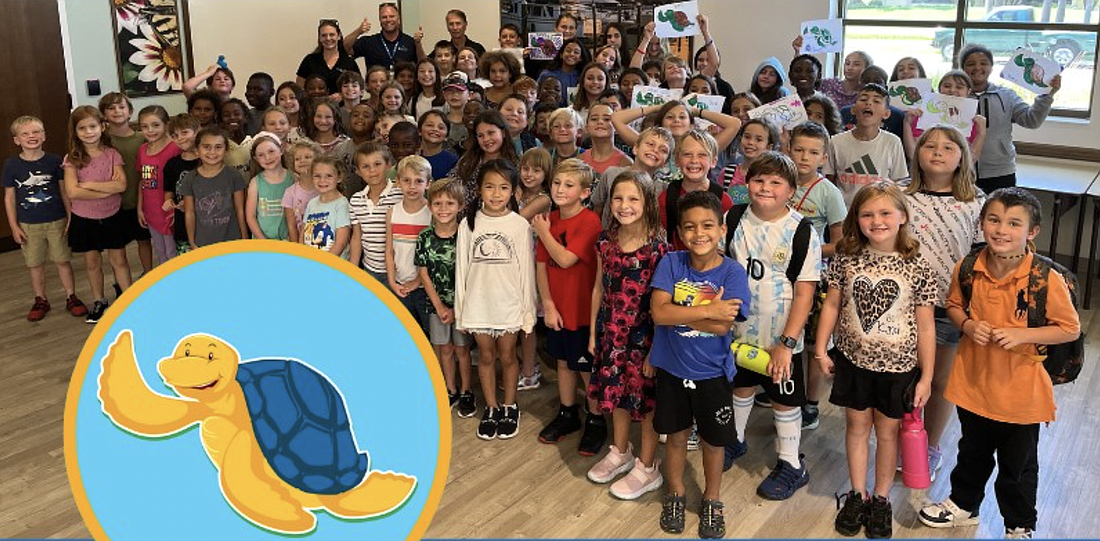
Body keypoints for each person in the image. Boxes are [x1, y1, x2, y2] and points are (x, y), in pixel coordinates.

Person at [919, 187, 1080, 539]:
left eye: (1013, 223)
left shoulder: (1044, 278)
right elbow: (954, 305)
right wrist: (967, 325)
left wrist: (1023, 335)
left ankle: (1018, 524)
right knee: (971, 451)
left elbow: (1069, 329)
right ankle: (963, 504)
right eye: (993, 219)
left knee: (1018, 467)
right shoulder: (968, 267)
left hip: (1021, 394)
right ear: (981, 223)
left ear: (1032, 232)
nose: (1001, 229)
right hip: (974, 383)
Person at [815, 181, 936, 539]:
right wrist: (822, 349)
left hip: (898, 368)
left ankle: (880, 498)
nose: (877, 220)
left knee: (887, 434)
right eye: (867, 214)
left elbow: (926, 327)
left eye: (885, 213)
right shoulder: (846, 258)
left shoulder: (918, 265)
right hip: (853, 363)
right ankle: (857, 493)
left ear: (902, 216)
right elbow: (832, 306)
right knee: (855, 428)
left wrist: (926, 376)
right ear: (856, 219)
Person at [650, 189, 750, 538]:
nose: (699, 233)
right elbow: (659, 314)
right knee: (675, 438)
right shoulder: (671, 263)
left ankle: (712, 498)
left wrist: (681, 314)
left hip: (713, 375)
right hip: (671, 371)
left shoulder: (733, 273)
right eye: (690, 227)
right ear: (679, 231)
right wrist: (708, 310)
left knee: (713, 441)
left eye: (708, 225)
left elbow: (725, 325)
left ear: (722, 229)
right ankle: (675, 491)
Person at [724, 151, 821, 501]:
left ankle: (792, 463)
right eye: (759, 180)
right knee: (741, 387)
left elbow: (805, 291)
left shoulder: (801, 230)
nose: (765, 187)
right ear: (747, 183)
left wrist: (787, 342)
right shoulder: (733, 217)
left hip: (781, 337)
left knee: (784, 399)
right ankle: (734, 441)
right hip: (740, 332)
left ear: (791, 191)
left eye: (775, 182)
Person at [904, 125, 986, 483]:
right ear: (918, 153)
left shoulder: (976, 203)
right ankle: (901, 438)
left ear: (962, 157)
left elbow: (982, 257)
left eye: (948, 147)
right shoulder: (900, 196)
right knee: (903, 379)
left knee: (939, 381)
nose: (938, 152)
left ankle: (931, 444)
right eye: (930, 146)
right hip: (900, 306)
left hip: (948, 308)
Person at [585, 170, 669, 499]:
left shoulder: (658, 250)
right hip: (612, 334)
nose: (624, 205)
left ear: (647, 202)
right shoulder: (605, 242)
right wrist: (595, 331)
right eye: (618, 198)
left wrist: (655, 352)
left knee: (646, 405)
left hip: (644, 340)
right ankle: (620, 451)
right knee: (616, 396)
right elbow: (598, 287)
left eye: (633, 198)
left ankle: (647, 467)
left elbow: (664, 305)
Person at [454, 159, 537, 441]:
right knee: (486, 357)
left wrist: (528, 311)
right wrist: (461, 310)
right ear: (479, 190)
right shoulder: (467, 224)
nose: (496, 193)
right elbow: (461, 270)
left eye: (503, 187)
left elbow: (526, 271)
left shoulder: (519, 225)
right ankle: (491, 408)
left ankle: (509, 406)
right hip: (478, 305)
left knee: (508, 356)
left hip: (509, 304)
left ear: (513, 192)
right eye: (489, 187)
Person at [534, 159, 605, 454]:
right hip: (558, 309)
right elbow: (542, 266)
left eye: (569, 185)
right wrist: (548, 305)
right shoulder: (549, 218)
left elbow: (565, 259)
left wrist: (543, 232)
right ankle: (567, 413)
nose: (560, 189)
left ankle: (596, 419)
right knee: (563, 362)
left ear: (585, 192)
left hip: (582, 311)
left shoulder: (590, 222)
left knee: (586, 368)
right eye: (557, 183)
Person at [786, 121, 847, 429]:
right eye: (798, 150)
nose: (804, 157)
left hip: (813, 278)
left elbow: (839, 243)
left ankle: (809, 402)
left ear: (824, 157)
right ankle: (781, 387)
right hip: (778, 277)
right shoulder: (778, 182)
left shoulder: (828, 193)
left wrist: (806, 253)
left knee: (811, 346)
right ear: (788, 149)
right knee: (784, 335)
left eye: (812, 152)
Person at [4, 115, 86, 321]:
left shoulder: (55, 161)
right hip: (28, 224)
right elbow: (10, 197)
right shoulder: (11, 164)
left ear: (44, 135)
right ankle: (40, 298)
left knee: (63, 260)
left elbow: (64, 191)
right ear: (16, 140)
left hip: (56, 219)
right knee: (35, 263)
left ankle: (71, 296)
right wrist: (14, 226)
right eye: (25, 133)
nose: (31, 136)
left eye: (36, 132)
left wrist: (70, 216)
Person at [63, 106, 132, 323]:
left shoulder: (112, 155)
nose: (88, 132)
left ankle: (130, 301)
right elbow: (73, 191)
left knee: (119, 259)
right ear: (75, 132)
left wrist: (90, 185)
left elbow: (121, 185)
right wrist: (106, 187)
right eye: (82, 128)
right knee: (92, 263)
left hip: (112, 215)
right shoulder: (72, 158)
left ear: (102, 127)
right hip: (84, 219)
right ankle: (99, 301)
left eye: (92, 126)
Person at [416, 177, 475, 416]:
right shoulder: (425, 237)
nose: (443, 209)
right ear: (429, 206)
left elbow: (471, 272)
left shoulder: (466, 235)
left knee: (462, 350)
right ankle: (450, 389)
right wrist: (440, 306)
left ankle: (466, 391)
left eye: (450, 203)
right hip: (435, 305)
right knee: (445, 349)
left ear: (460, 206)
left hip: (462, 305)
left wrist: (457, 307)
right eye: (438, 203)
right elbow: (424, 274)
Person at [824, 83, 909, 206]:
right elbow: (830, 181)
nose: (868, 103)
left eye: (876, 101)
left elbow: (898, 182)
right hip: (844, 213)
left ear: (886, 114)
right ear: (853, 109)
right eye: (863, 99)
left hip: (878, 211)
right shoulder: (836, 141)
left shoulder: (893, 142)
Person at [99, 93, 152, 281]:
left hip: (139, 200)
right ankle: (122, 285)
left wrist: (146, 195)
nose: (117, 111)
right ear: (103, 114)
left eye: (121, 107)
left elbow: (149, 169)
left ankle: (148, 276)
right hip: (112, 205)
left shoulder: (142, 138)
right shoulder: (101, 141)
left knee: (144, 241)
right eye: (111, 108)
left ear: (130, 111)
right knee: (117, 249)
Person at [658, 130, 734, 250]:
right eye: (687, 154)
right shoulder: (666, 198)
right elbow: (661, 241)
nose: (694, 160)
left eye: (702, 155)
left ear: (713, 161)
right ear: (677, 160)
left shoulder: (723, 200)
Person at [591, 126, 675, 229]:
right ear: (635, 148)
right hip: (606, 240)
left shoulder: (663, 189)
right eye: (650, 144)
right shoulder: (611, 174)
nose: (655, 150)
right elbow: (597, 207)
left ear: (665, 162)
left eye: (663, 150)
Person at [385, 155, 433, 334]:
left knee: (429, 332)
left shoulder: (432, 213)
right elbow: (389, 251)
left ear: (428, 183)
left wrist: (418, 281)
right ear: (397, 182)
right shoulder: (392, 213)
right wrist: (392, 281)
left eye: (418, 181)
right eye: (406, 180)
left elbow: (433, 255)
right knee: (407, 332)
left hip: (424, 287)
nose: (412, 186)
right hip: (400, 285)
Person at [179, 127, 247, 250]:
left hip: (232, 241)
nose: (212, 152)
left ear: (226, 150)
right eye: (206, 147)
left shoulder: (234, 176)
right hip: (203, 243)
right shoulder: (190, 178)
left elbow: (240, 210)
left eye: (218, 147)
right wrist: (192, 241)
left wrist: (244, 237)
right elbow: (189, 213)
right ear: (197, 150)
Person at [903, 69, 988, 163]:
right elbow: (912, 154)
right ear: (939, 89)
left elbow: (971, 159)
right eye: (947, 86)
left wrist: (981, 133)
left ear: (968, 92)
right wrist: (907, 123)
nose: (952, 90)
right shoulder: (923, 116)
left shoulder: (972, 122)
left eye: (959, 87)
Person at [135, 105, 182, 265]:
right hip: (151, 210)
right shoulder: (142, 150)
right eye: (145, 127)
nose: (150, 130)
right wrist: (140, 208)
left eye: (155, 125)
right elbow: (143, 180)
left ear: (166, 125)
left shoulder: (175, 149)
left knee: (172, 252)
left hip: (168, 211)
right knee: (160, 252)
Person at [349, 142, 402, 283]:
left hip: (398, 271)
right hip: (370, 269)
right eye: (365, 166)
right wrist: (353, 269)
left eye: (377, 164)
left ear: (389, 165)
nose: (372, 170)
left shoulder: (401, 195)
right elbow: (356, 238)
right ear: (358, 171)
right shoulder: (356, 200)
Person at [451, 110, 519, 209]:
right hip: (465, 218)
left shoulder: (514, 164)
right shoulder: (467, 161)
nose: (486, 139)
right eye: (480, 136)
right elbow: (451, 185)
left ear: (503, 133)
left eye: (491, 133)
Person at [343, 3, 424, 71]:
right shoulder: (369, 42)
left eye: (392, 16)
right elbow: (345, 48)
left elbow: (423, 64)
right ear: (380, 20)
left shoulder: (409, 42)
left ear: (399, 19)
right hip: (376, 88)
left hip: (404, 88)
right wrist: (358, 31)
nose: (388, 20)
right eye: (384, 17)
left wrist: (418, 43)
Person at [163, 114, 202, 255]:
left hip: (208, 223)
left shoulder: (208, 160)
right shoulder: (172, 164)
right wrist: (168, 201)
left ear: (198, 130)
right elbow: (169, 190)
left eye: (185, 132)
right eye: (175, 135)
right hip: (183, 224)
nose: (180, 138)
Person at [245, 133, 293, 240]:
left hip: (289, 241)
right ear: (256, 159)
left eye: (271, 151)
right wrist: (263, 240)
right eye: (261, 155)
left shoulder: (293, 179)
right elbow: (250, 216)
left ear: (281, 150)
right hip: (263, 243)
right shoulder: (255, 182)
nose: (267, 157)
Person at [301, 155, 351, 259]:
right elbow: (303, 233)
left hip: (332, 265)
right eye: (317, 176)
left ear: (339, 177)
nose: (322, 180)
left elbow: (340, 244)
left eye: (328, 176)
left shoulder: (341, 204)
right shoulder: (311, 203)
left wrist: (323, 264)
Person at [296, 19, 361, 95]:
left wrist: (342, 96)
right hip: (315, 105)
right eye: (324, 35)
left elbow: (358, 89)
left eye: (332, 35)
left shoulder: (349, 62)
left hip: (342, 106)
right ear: (319, 38)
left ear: (339, 36)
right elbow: (299, 89)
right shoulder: (309, 60)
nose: (328, 38)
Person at [722, 118, 779, 205]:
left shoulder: (774, 177)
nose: (751, 142)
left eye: (759, 139)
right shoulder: (727, 172)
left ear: (769, 147)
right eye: (747, 137)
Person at [282, 140, 321, 244]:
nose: (302, 161)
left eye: (307, 157)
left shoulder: (324, 189)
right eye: (297, 159)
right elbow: (292, 226)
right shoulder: (290, 193)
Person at [579, 103, 632, 175]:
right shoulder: (578, 161)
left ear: (616, 126)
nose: (600, 122)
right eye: (594, 119)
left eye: (607, 119)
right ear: (586, 127)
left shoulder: (626, 163)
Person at [538, 39, 590, 106]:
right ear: (561, 54)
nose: (571, 54)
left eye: (576, 52)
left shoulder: (583, 77)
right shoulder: (546, 74)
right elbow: (537, 96)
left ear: (581, 58)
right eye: (568, 51)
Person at [419, 111, 458, 179]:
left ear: (446, 136)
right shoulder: (413, 158)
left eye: (441, 127)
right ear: (419, 131)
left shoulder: (453, 161)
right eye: (430, 125)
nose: (435, 129)